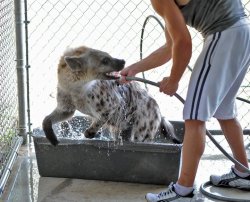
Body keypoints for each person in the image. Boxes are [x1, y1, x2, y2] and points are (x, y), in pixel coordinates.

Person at [120, 0, 250, 201]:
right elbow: (171, 46)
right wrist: (134, 68)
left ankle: (184, 191)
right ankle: (243, 173)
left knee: (194, 116)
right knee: (224, 110)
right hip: (242, 31)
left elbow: (183, 43)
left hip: (223, 33)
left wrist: (173, 81)